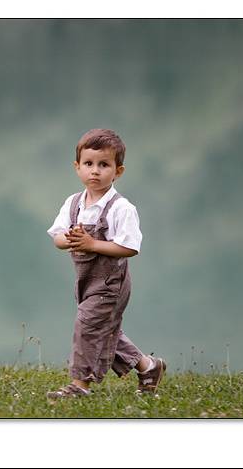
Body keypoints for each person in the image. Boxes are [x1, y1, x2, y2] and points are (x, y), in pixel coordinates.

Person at [45, 128, 166, 398]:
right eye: (88, 164)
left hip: (111, 282)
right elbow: (57, 236)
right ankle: (148, 366)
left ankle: (79, 386)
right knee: (104, 329)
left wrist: (91, 244)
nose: (95, 171)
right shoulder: (73, 203)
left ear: (118, 171)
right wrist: (71, 239)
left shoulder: (122, 208)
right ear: (77, 168)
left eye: (104, 165)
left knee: (87, 325)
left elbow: (129, 247)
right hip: (86, 280)